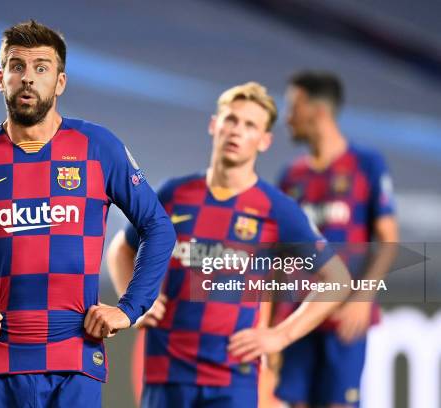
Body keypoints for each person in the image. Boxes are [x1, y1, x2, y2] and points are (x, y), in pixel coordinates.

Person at [0, 20, 175, 408]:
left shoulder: (98, 148)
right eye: (17, 66)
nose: (28, 78)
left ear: (60, 82)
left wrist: (130, 308)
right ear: (0, 77)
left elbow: (158, 227)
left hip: (74, 361)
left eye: (41, 68)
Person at [107, 82, 352, 408]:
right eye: (231, 120)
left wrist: (281, 335)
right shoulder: (173, 194)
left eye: (250, 125)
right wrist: (136, 304)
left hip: (232, 380)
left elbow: (338, 279)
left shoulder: (275, 208)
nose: (237, 131)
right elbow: (121, 249)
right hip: (165, 374)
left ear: (264, 141)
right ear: (214, 125)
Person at [275, 71, 399, 408]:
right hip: (297, 317)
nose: (286, 117)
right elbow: (278, 253)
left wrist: (363, 297)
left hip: (343, 317)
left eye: (293, 106)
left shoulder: (366, 165)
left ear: (318, 111)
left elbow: (387, 239)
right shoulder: (291, 177)